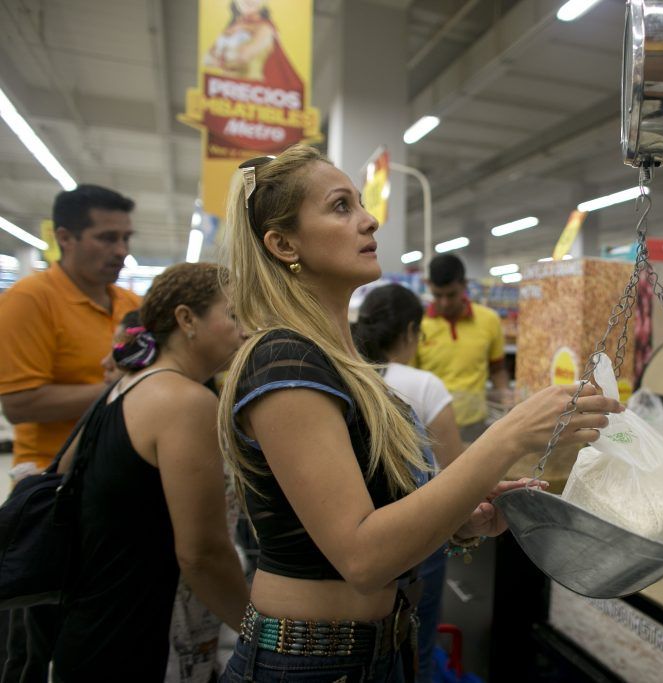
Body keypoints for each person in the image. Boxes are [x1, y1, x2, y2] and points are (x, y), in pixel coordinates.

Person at [217, 144, 619, 682]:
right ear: (283, 243)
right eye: (341, 207)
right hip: (310, 665)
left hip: (378, 653)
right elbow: (362, 558)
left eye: (360, 202)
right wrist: (506, 438)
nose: (369, 218)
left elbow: (372, 515)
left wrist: (459, 516)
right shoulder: (283, 360)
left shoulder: (342, 363)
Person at [47, 261, 249, 681]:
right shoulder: (184, 401)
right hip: (142, 643)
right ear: (186, 319)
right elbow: (202, 554)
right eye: (233, 315)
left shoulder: (126, 387)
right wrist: (260, 632)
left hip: (93, 631)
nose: (245, 330)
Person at [0, 184, 140, 683]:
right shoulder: (29, 300)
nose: (121, 250)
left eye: (126, 237)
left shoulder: (131, 304)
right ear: (65, 237)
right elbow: (20, 402)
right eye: (106, 237)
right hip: (49, 492)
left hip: (113, 487)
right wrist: (123, 388)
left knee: (92, 632)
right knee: (32, 642)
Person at [352, 283, 462, 683]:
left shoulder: (346, 376)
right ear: (411, 331)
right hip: (418, 535)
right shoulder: (423, 384)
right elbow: (455, 470)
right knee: (415, 644)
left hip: (357, 534)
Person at [415, 254, 510, 443]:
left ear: (465, 285)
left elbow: (497, 369)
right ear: (429, 285)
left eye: (451, 295)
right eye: (437, 295)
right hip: (430, 426)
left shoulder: (489, 320)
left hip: (475, 424)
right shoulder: (418, 325)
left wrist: (506, 402)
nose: (444, 302)